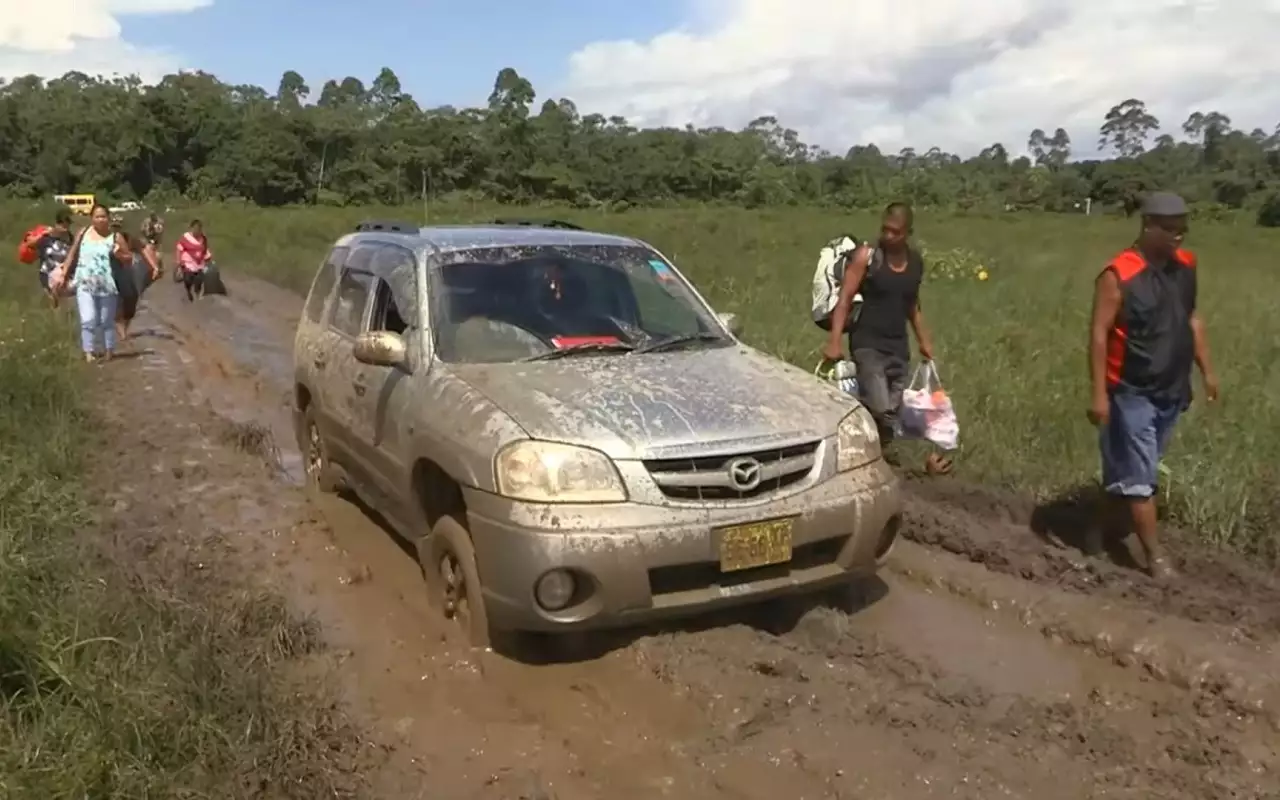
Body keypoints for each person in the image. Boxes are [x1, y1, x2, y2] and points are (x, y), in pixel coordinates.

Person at [1086, 192, 1218, 580]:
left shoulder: (1186, 267)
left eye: (1183, 230)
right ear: (1148, 226)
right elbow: (1098, 334)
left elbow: (1192, 319)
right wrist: (1098, 395)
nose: (1179, 238)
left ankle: (1096, 531)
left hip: (1171, 389)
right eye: (1171, 230)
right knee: (1142, 477)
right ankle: (1155, 557)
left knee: (1131, 469)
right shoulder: (1118, 274)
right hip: (1130, 390)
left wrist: (1206, 370)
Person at [820, 202, 949, 473]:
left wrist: (923, 339)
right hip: (868, 344)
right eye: (885, 230)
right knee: (880, 407)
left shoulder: (915, 262)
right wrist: (834, 341)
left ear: (907, 233)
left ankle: (877, 461)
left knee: (895, 411)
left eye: (895, 232)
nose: (888, 236)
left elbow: (912, 303)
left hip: (898, 346)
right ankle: (863, 452)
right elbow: (844, 299)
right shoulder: (867, 256)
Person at [49, 203, 133, 363]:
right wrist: (64, 274)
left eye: (103, 216)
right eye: (97, 217)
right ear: (91, 219)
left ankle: (109, 351)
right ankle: (89, 352)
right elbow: (72, 255)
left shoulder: (116, 237)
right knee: (88, 319)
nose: (101, 220)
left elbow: (129, 259)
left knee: (106, 321)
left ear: (108, 218)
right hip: (85, 283)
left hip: (107, 285)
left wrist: (119, 254)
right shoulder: (83, 233)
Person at [113, 223, 161, 342]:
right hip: (110, 273)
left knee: (132, 299)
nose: (116, 229)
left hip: (128, 272)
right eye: (114, 226)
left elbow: (142, 249)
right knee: (116, 301)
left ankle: (124, 326)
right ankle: (120, 331)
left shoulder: (130, 238)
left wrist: (154, 266)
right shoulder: (104, 239)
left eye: (118, 226)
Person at [32, 208, 74, 309]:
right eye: (63, 224)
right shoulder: (46, 237)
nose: (66, 227)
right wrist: (43, 234)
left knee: (64, 305)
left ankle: (61, 319)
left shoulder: (70, 238)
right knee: (53, 302)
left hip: (64, 276)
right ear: (57, 223)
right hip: (47, 274)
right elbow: (32, 246)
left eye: (68, 224)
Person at [175, 218, 213, 301]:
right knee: (188, 280)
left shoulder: (203, 238)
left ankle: (197, 292)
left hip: (200, 263)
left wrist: (208, 258)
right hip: (188, 263)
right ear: (191, 228)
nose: (197, 231)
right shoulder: (185, 237)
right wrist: (178, 263)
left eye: (199, 229)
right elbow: (179, 249)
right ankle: (188, 291)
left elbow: (205, 249)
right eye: (195, 228)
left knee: (199, 280)